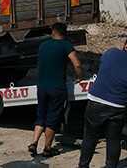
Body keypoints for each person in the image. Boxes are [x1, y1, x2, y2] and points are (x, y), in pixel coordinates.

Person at [78, 34, 127, 168]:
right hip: (117, 107)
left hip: (95, 101)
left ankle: (83, 165)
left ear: (126, 45)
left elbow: (102, 69)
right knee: (113, 140)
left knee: (90, 137)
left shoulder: (110, 53)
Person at [28, 22, 83, 157]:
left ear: (53, 31)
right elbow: (76, 63)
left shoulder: (43, 45)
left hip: (42, 86)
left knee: (41, 115)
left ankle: (34, 143)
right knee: (52, 117)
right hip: (57, 88)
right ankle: (47, 148)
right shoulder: (66, 45)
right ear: (65, 33)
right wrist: (79, 77)